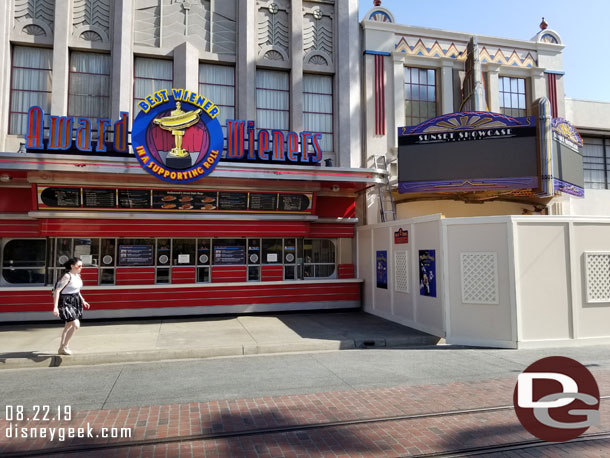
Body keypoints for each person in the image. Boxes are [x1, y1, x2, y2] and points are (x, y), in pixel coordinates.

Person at [52, 257, 90, 355]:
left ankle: (61, 347)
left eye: (82, 266)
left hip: (75, 301)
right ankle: (65, 346)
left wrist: (83, 300)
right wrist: (55, 307)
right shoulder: (67, 276)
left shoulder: (77, 276)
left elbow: (77, 290)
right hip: (65, 302)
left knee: (68, 325)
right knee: (76, 325)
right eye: (79, 266)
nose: (81, 267)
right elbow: (57, 291)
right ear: (72, 266)